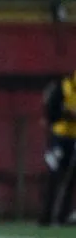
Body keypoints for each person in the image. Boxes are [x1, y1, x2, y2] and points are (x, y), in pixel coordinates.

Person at [39, 71, 76, 226]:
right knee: (53, 175)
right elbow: (52, 111)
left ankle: (63, 215)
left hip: (74, 138)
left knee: (71, 178)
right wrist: (67, 113)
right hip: (59, 138)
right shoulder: (63, 87)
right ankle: (45, 216)